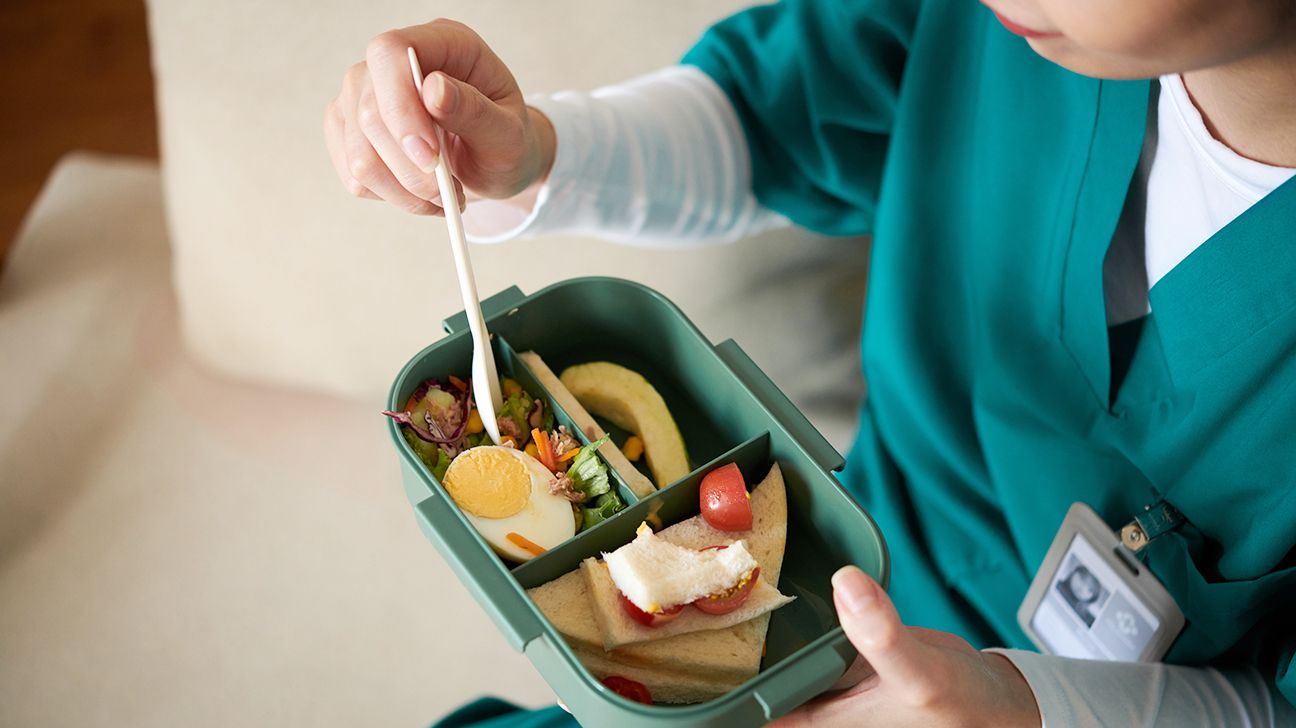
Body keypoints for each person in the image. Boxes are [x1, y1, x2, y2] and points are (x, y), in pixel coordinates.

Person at [323, 0, 1296, 725]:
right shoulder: (1009, 24)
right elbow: (778, 110)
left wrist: (1024, 702)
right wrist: (530, 150)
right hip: (814, 602)